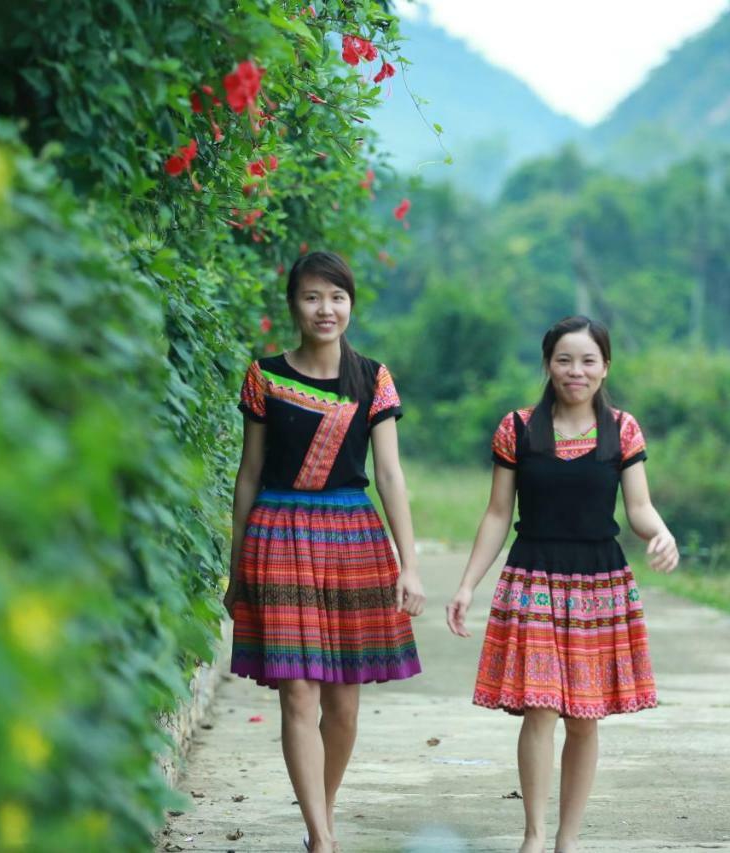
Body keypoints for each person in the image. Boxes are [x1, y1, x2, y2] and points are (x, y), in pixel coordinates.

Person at [445, 315, 678, 853]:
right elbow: (498, 514)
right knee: (540, 707)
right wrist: (466, 585)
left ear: (605, 368)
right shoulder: (518, 429)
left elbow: (639, 508)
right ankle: (532, 835)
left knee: (583, 717)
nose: (576, 371)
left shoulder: (623, 429)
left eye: (588, 360)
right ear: (548, 365)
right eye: (564, 360)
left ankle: (566, 840)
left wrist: (661, 534)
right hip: (534, 579)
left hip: (600, 584)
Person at [225, 251, 426, 853]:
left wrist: (409, 563)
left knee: (342, 702)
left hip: (353, 540)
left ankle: (324, 811)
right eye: (313, 297)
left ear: (351, 304)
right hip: (279, 536)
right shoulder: (263, 376)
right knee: (297, 690)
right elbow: (249, 473)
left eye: (336, 297)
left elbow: (389, 475)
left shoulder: (372, 378)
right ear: (293, 303)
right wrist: (236, 569)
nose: (325, 309)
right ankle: (321, 838)